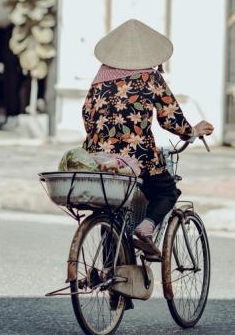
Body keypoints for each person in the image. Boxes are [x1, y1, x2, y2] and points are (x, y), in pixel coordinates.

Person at [82, 19, 214, 259]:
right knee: (167, 192)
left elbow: (87, 116)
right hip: (138, 156)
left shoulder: (99, 79)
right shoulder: (149, 77)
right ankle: (147, 227)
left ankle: (113, 275)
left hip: (98, 158)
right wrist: (192, 132)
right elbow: (170, 118)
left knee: (112, 209)